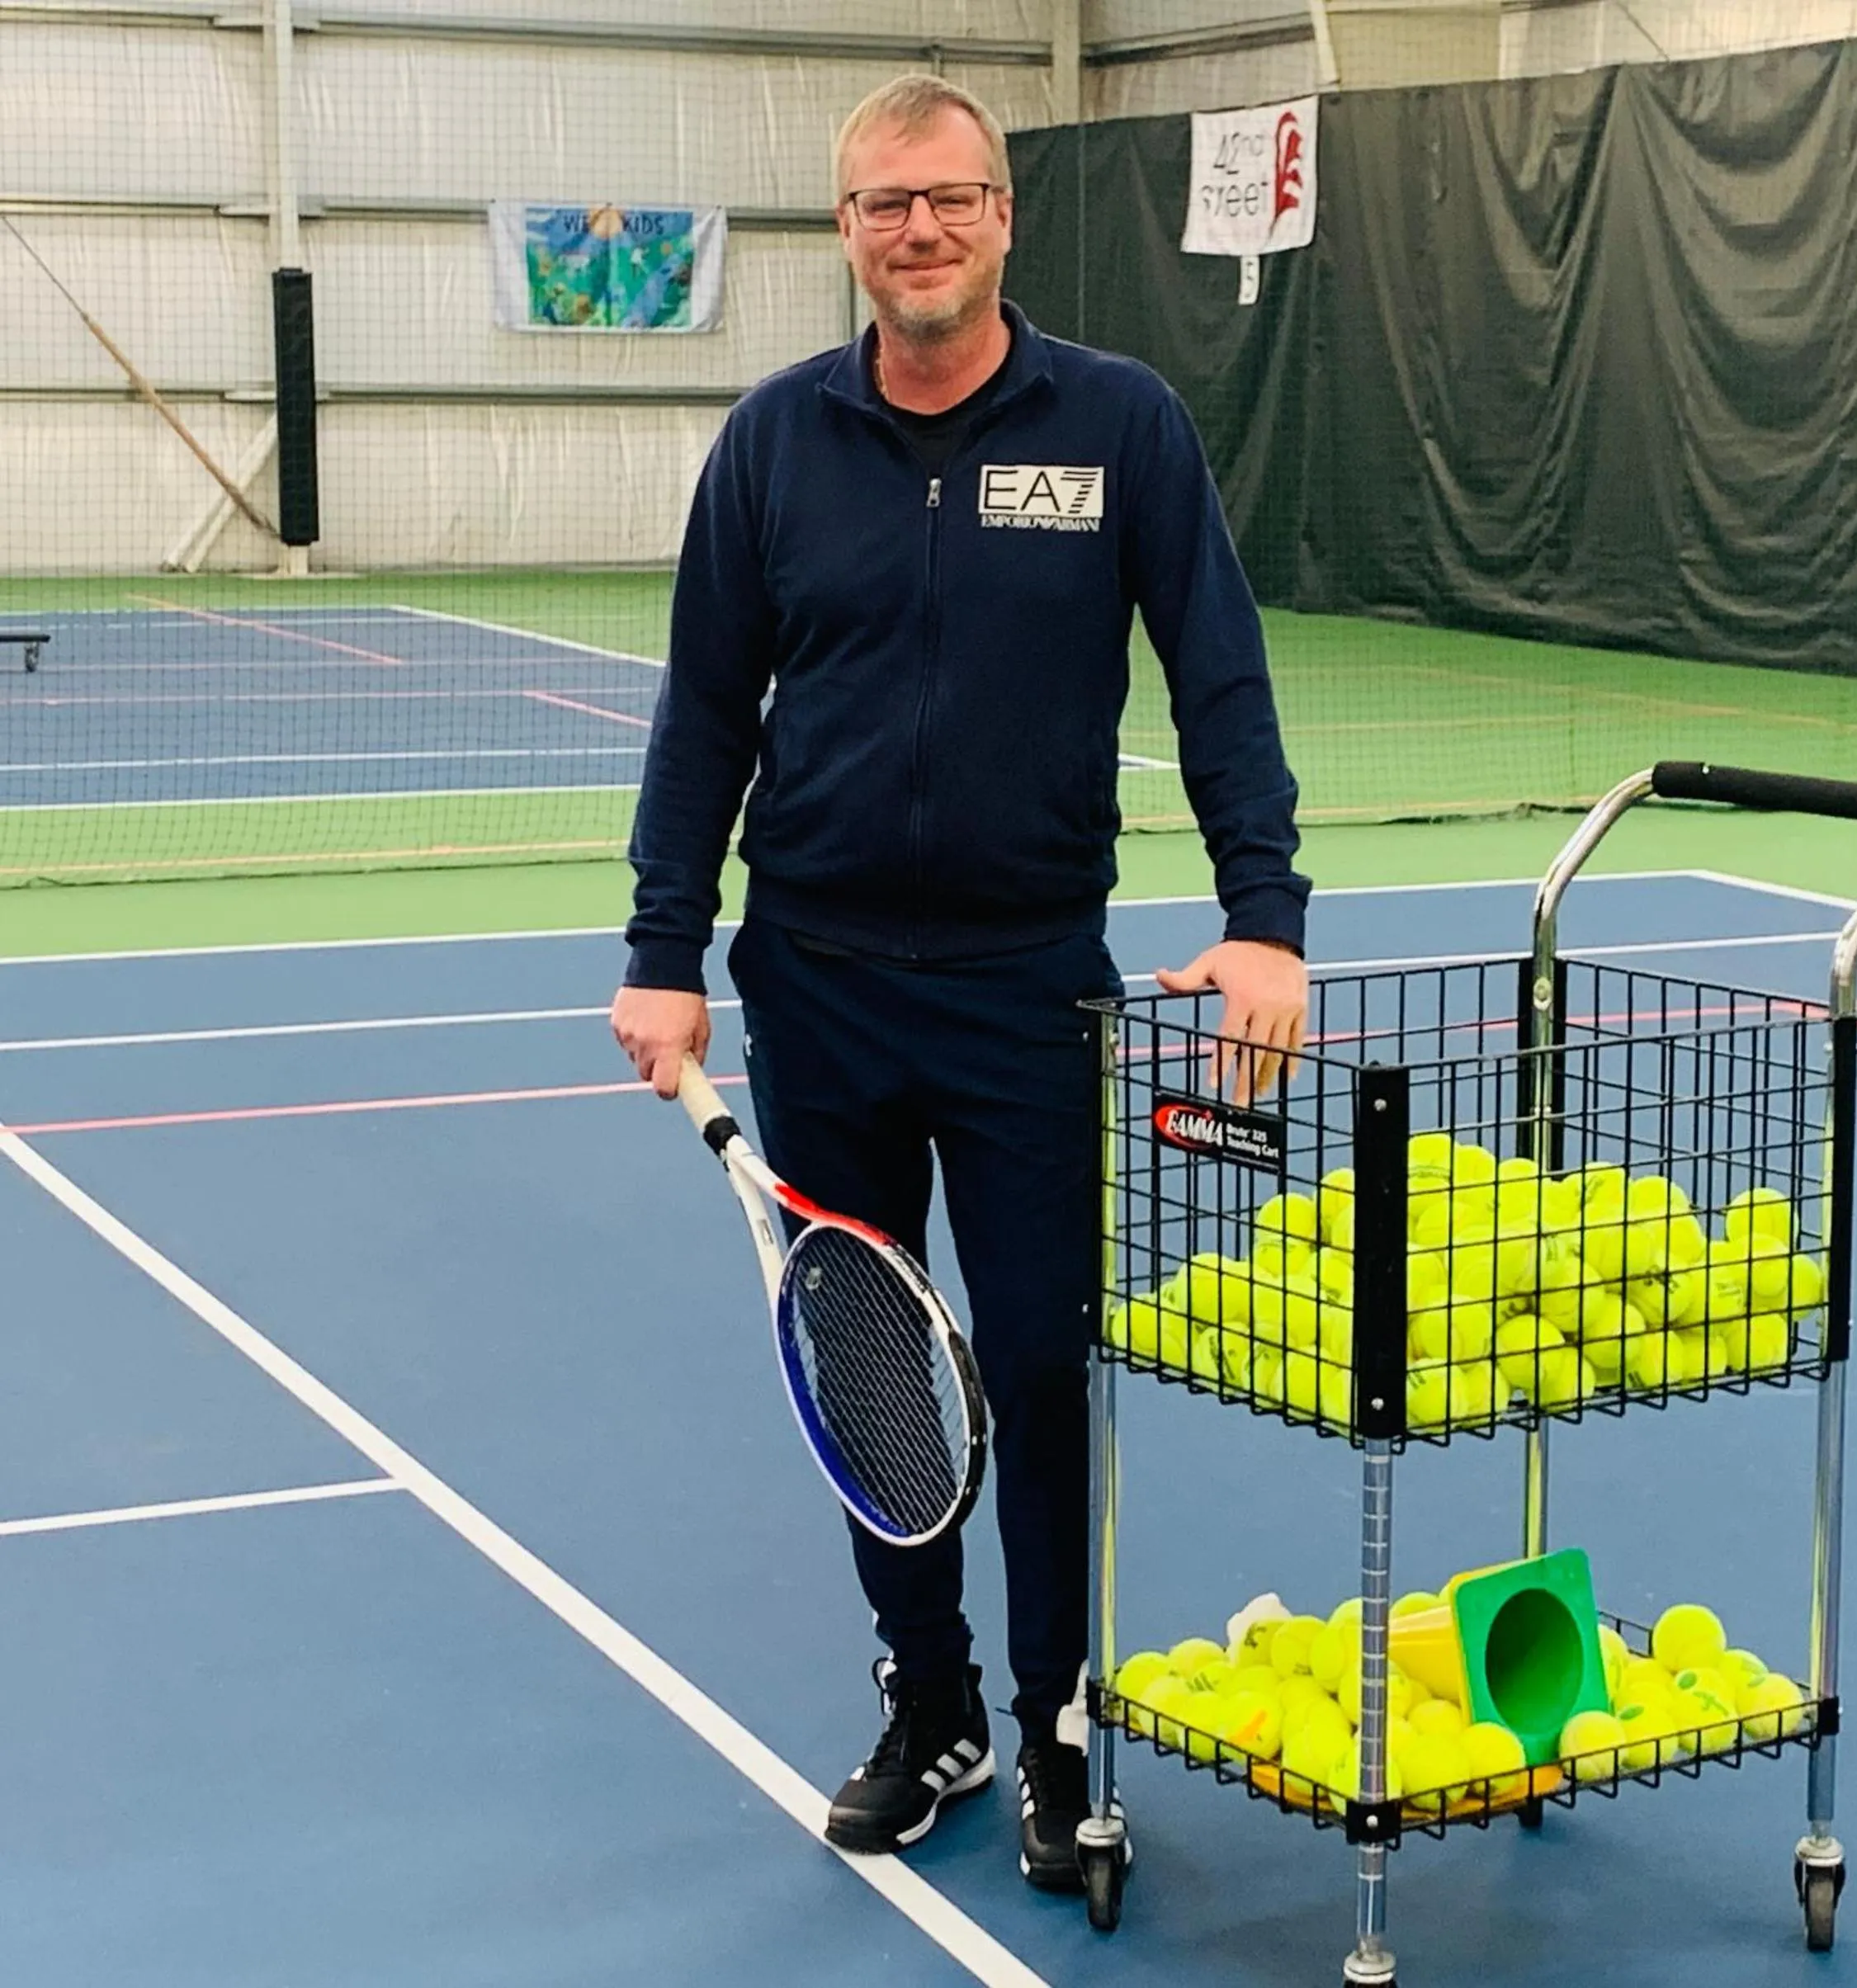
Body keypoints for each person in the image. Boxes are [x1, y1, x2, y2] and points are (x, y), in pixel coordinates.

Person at [610, 72, 1311, 1893]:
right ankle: (931, 1704)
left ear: (1002, 218)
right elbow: (702, 714)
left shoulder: (1124, 426)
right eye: (879, 206)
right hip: (820, 987)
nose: (915, 231)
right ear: (844, 233)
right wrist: (662, 952)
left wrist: (1267, 915)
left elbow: (1216, 674)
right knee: (873, 1366)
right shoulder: (771, 444)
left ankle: (1060, 1725)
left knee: (1038, 1363)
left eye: (948, 199)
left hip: (1025, 997)